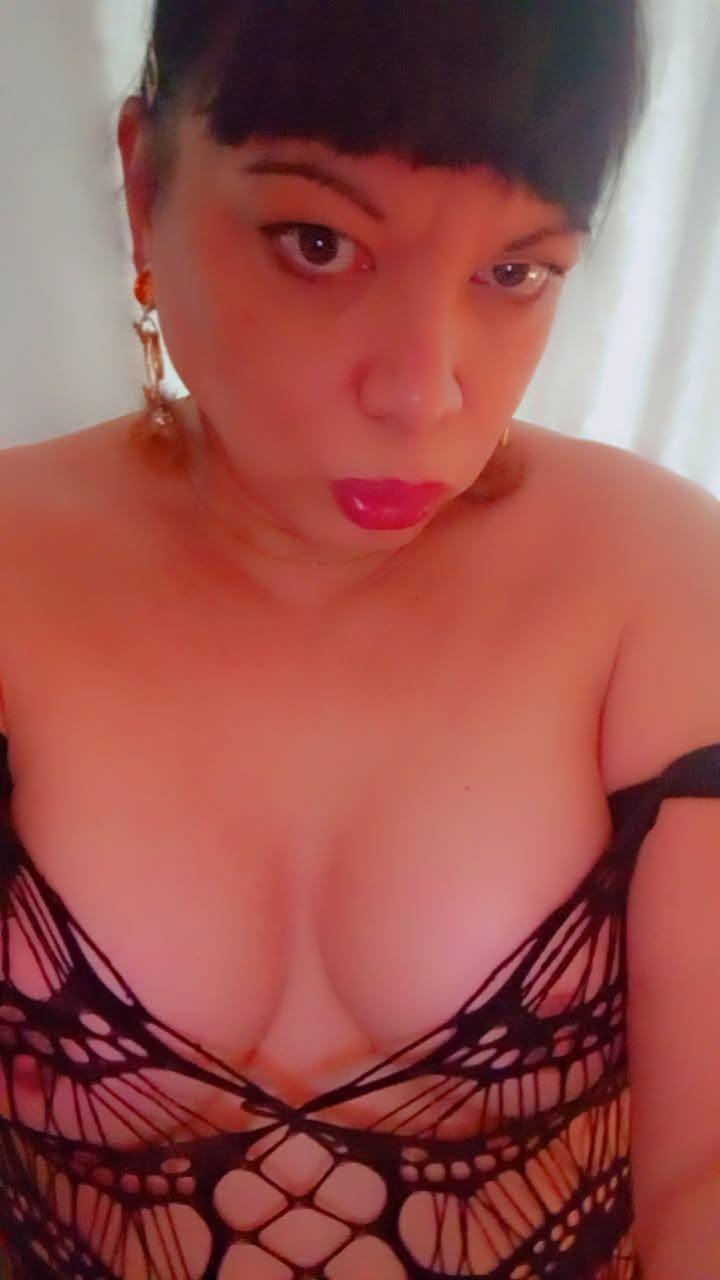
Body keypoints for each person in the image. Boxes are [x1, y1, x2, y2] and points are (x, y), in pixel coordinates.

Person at [1, 2, 719, 1276]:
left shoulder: (657, 587)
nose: (423, 392)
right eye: (319, 243)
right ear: (145, 187)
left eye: (516, 272)